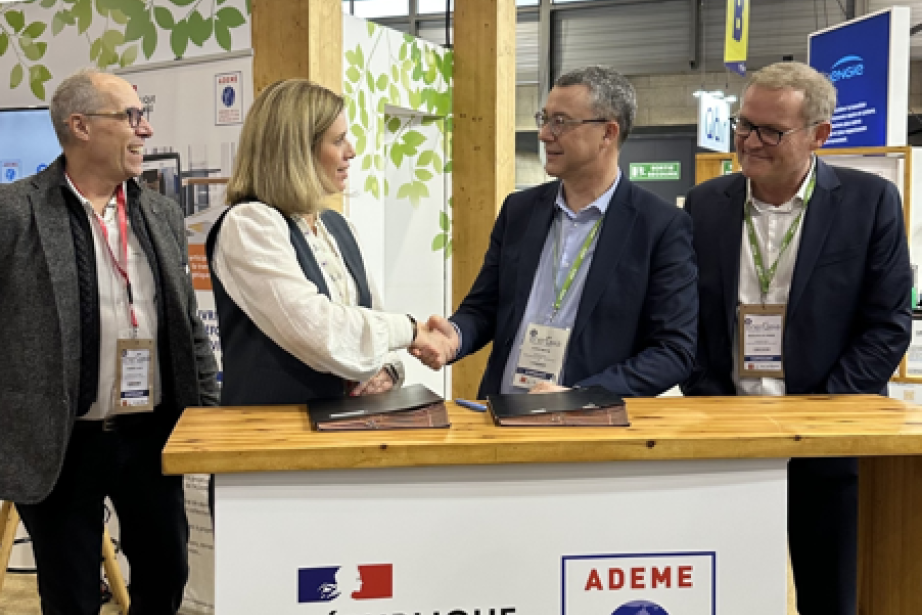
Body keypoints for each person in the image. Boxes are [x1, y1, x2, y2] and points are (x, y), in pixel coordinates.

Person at [681, 61, 912, 615]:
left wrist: (823, 414)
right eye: (744, 124)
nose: (749, 141)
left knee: (831, 594)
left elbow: (886, 326)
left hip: (831, 439)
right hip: (727, 436)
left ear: (819, 135)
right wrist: (713, 405)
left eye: (769, 131)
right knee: (724, 593)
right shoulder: (706, 204)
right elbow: (685, 321)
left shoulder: (869, 202)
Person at [0, 68, 220, 614]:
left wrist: (207, 415)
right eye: (131, 116)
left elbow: (188, 322)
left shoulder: (162, 213)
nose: (144, 131)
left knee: (167, 573)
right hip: (60, 443)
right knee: (70, 594)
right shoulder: (14, 212)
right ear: (80, 127)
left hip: (149, 436)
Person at [422, 65, 698, 398]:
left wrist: (579, 396)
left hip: (587, 431)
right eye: (545, 118)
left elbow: (672, 352)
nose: (544, 134)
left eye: (561, 122)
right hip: (502, 417)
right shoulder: (519, 211)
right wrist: (455, 336)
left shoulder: (659, 226)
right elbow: (484, 307)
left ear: (608, 134)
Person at [207, 78, 455, 409]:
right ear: (297, 151)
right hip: (273, 436)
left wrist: (388, 372)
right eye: (338, 140)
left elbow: (371, 323)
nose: (351, 151)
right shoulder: (250, 224)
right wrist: (411, 330)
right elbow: (318, 330)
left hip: (343, 432)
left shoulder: (338, 227)